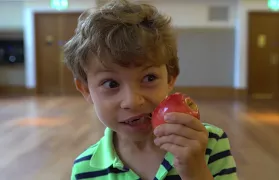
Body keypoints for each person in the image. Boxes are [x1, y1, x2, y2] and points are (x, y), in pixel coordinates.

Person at [64, 0, 238, 179]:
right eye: (111, 84)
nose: (132, 101)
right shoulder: (85, 170)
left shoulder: (209, 144)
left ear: (170, 78)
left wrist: (196, 170)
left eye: (149, 78)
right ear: (85, 90)